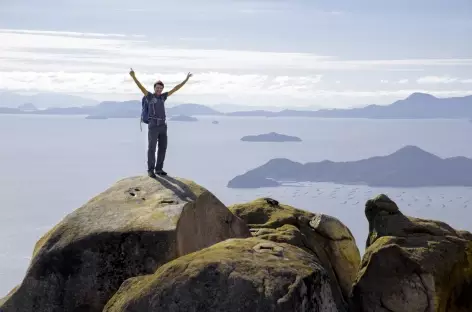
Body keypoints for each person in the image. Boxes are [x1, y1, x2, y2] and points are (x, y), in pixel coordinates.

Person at [129, 68, 193, 178]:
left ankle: (159, 169)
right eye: (157, 88)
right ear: (154, 88)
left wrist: (186, 79)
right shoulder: (149, 96)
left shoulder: (163, 97)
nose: (159, 89)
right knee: (152, 148)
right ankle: (150, 170)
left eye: (160, 88)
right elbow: (141, 87)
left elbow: (175, 88)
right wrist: (133, 76)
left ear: (162, 89)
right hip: (153, 125)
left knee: (163, 147)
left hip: (163, 125)